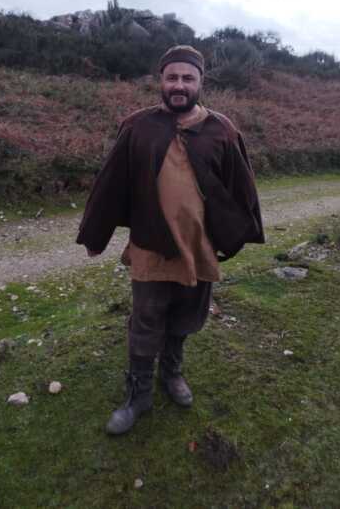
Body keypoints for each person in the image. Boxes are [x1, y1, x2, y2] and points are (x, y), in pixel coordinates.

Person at [76, 44, 264, 435]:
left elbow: (241, 187)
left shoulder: (222, 130)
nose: (179, 85)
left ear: (201, 82)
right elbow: (110, 184)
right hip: (150, 244)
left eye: (187, 78)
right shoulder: (138, 126)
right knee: (146, 318)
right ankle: (138, 394)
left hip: (199, 245)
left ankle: (172, 373)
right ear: (161, 80)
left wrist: (238, 234)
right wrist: (96, 234)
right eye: (172, 77)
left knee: (185, 317)